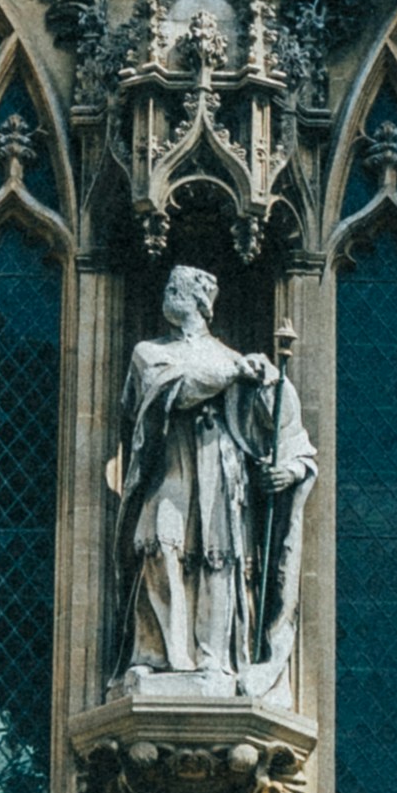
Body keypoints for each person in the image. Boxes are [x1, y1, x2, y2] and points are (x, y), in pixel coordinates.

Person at [108, 262, 317, 701]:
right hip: (168, 470)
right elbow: (167, 390)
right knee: (157, 543)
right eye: (166, 288)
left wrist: (290, 464)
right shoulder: (151, 351)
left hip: (219, 476)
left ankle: (213, 660)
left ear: (200, 303)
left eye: (175, 290)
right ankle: (158, 654)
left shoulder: (231, 358)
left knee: (218, 559)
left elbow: (282, 427)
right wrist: (234, 374)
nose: (167, 295)